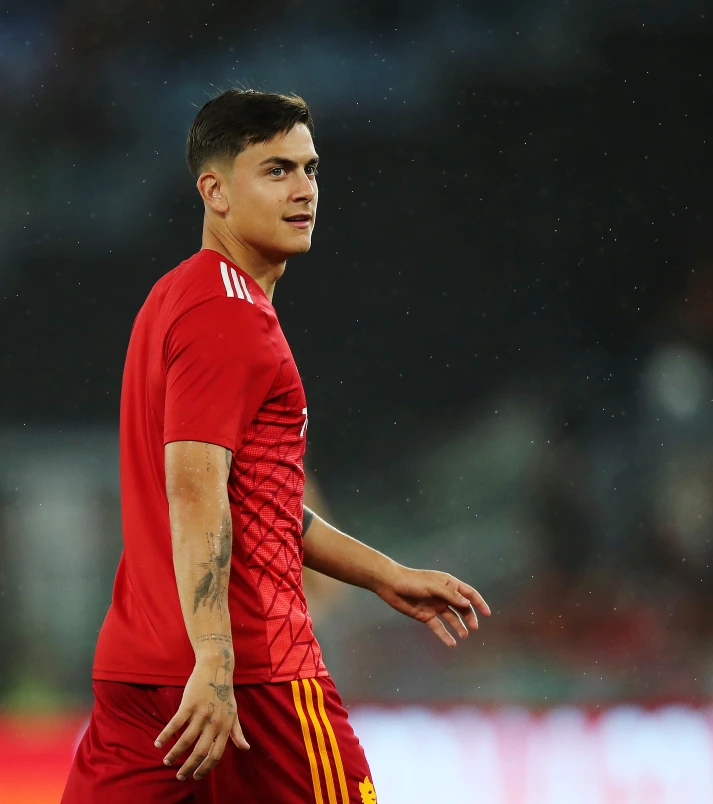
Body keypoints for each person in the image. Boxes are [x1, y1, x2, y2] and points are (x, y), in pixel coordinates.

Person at [61, 89, 490, 804]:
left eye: (310, 170)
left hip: (141, 674)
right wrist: (216, 659)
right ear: (215, 191)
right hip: (254, 677)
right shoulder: (231, 318)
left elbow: (253, 504)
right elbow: (195, 491)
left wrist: (381, 573)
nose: (304, 191)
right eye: (276, 171)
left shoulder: (176, 297)